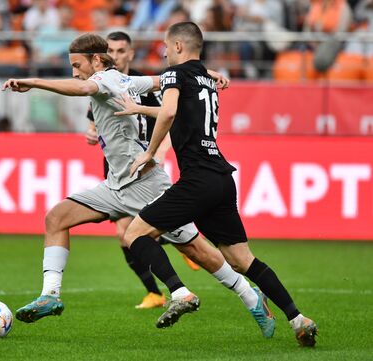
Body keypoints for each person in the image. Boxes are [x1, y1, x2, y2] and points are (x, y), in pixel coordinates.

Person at [2, 33, 277, 339]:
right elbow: (162, 80)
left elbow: (82, 87)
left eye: (77, 64)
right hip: (116, 184)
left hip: (146, 183)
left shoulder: (104, 79)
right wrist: (205, 74)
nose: (74, 72)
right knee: (56, 218)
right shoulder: (123, 80)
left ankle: (251, 297)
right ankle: (50, 295)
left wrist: (33, 82)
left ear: (95, 60)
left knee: (196, 249)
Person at [121, 21, 317, 346]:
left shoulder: (175, 74)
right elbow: (180, 109)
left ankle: (180, 292)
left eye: (167, 47)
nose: (165, 52)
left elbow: (169, 112)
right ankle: (298, 318)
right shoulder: (206, 79)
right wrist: (139, 108)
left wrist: (150, 153)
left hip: (197, 179)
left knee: (135, 234)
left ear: (180, 47)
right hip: (221, 179)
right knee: (243, 259)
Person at [85, 31, 198, 310]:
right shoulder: (98, 83)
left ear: (131, 54)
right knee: (125, 235)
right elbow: (95, 123)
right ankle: (155, 292)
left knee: (145, 229)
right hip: (115, 168)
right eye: (111, 49)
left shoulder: (141, 85)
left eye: (121, 50)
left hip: (143, 167)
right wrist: (91, 132)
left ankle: (184, 243)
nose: (116, 55)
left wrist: (157, 152)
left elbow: (169, 117)